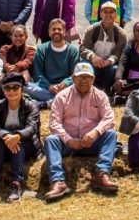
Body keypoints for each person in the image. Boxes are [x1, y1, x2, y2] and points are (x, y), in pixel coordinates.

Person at [42, 63, 119, 202]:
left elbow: (109, 118)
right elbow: (54, 123)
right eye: (80, 77)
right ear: (73, 78)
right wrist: (68, 140)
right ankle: (58, 182)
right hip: (68, 145)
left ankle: (101, 175)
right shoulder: (62, 96)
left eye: (88, 77)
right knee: (50, 139)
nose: (84, 80)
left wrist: (95, 132)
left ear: (93, 79)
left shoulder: (100, 96)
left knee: (111, 134)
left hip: (91, 143)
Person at [0, 74, 41, 202]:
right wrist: (6, 136)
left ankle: (16, 183)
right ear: (3, 91)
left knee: (18, 145)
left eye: (16, 87)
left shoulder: (31, 105)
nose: (12, 91)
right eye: (8, 88)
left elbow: (32, 128)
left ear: (22, 89)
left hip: (26, 144)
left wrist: (17, 136)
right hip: (4, 142)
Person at [79, 1, 128, 96]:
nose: (108, 15)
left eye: (111, 12)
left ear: (115, 14)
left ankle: (107, 92)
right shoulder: (91, 30)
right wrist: (93, 57)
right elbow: (83, 48)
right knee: (83, 65)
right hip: (92, 64)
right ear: (100, 14)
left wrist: (109, 61)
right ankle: (86, 92)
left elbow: (119, 54)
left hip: (108, 67)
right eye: (105, 12)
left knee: (115, 69)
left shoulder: (121, 34)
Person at [28, 19, 80, 108]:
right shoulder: (41, 49)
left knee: (79, 88)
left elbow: (75, 74)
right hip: (45, 87)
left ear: (64, 32)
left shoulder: (73, 50)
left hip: (65, 87)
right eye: (53, 29)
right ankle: (60, 100)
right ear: (49, 32)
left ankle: (48, 102)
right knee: (26, 87)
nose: (56, 31)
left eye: (59, 29)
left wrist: (65, 84)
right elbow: (37, 74)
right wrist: (49, 86)